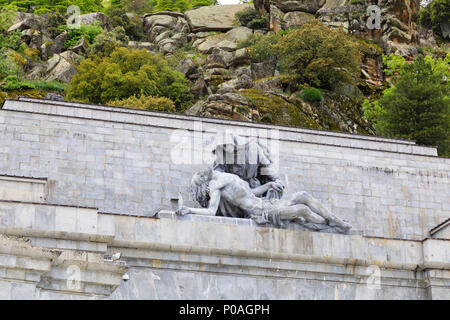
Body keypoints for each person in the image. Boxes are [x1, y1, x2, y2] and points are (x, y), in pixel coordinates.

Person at [176, 168, 352, 233]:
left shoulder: (225, 175)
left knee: (303, 195)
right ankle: (330, 227)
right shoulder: (215, 186)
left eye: (199, 173)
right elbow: (210, 212)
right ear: (202, 183)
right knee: (302, 210)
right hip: (261, 212)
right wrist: (189, 210)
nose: (200, 174)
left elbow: (251, 192)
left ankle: (335, 222)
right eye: (199, 178)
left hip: (265, 203)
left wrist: (268, 187)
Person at [210, 132, 284, 218]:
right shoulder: (224, 154)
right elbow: (218, 172)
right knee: (222, 195)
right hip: (234, 187)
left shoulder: (253, 148)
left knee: (273, 188)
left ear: (233, 142)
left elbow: (266, 166)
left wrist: (276, 179)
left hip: (253, 186)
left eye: (226, 145)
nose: (225, 149)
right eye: (223, 146)